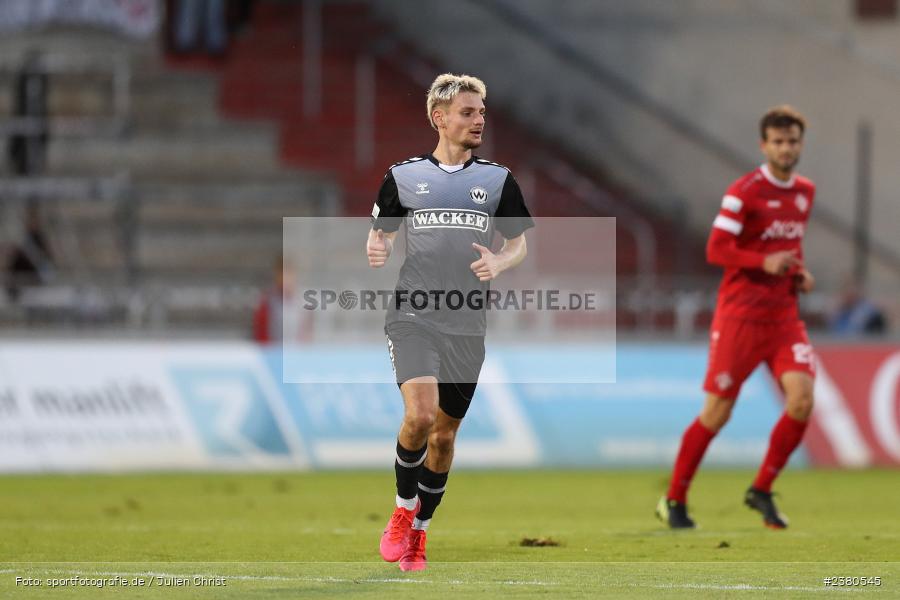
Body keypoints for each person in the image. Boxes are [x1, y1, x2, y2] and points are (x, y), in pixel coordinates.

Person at [367, 73, 533, 571]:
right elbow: (380, 233)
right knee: (419, 416)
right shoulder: (402, 177)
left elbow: (519, 242)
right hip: (413, 316)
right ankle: (401, 513)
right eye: (468, 112)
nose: (478, 119)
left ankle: (419, 533)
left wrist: (501, 263)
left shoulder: (498, 181)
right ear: (439, 118)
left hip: (467, 325)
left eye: (481, 112)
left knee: (443, 437)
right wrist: (378, 245)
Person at [657, 106, 817, 530]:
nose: (786, 148)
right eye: (778, 142)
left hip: (783, 318)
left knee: (802, 400)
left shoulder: (805, 191)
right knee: (716, 413)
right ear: (764, 145)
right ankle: (674, 500)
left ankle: (761, 489)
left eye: (793, 141)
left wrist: (799, 271)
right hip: (740, 319)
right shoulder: (743, 191)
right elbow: (716, 249)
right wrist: (764, 263)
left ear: (801, 144)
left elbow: (790, 245)